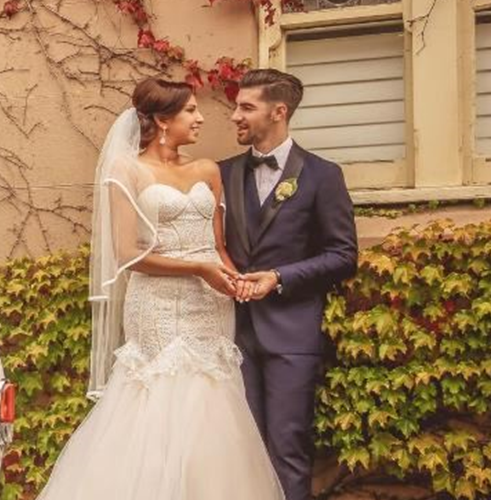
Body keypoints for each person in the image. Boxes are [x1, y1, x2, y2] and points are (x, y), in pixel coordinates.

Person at [36, 77, 284, 500]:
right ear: (163, 120)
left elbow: (218, 246)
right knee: (158, 404)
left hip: (209, 308)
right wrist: (199, 271)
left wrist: (234, 279)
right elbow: (128, 255)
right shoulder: (126, 169)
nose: (201, 118)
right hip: (157, 306)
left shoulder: (208, 170)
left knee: (211, 407)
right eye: (190, 110)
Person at [221, 68, 359, 500]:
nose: (234, 116)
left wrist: (279, 278)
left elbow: (343, 255)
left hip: (291, 335)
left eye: (247, 107)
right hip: (227, 333)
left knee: (287, 449)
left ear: (278, 112)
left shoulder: (322, 175)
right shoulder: (220, 174)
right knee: (236, 452)